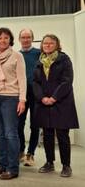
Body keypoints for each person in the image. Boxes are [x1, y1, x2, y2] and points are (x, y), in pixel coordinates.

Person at [0, 27, 26, 180]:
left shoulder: (17, 56)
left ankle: (13, 168)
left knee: (10, 134)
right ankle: (2, 164)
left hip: (10, 97)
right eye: (0, 37)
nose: (3, 40)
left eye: (6, 38)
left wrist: (22, 100)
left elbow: (22, 79)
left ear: (10, 40)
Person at [33, 34, 79, 177]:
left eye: (51, 43)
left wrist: (54, 97)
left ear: (57, 45)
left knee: (62, 134)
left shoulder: (63, 59)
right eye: (45, 43)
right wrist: (42, 98)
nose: (47, 45)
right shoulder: (39, 60)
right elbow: (35, 82)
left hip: (61, 102)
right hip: (43, 102)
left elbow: (67, 81)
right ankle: (49, 163)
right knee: (47, 134)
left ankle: (66, 166)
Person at [17, 29, 41, 166]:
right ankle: (20, 150)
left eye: (28, 37)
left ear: (32, 38)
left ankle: (30, 154)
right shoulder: (16, 55)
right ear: (19, 39)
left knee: (35, 125)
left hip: (36, 93)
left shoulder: (39, 53)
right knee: (19, 124)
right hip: (21, 93)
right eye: (23, 37)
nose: (26, 40)